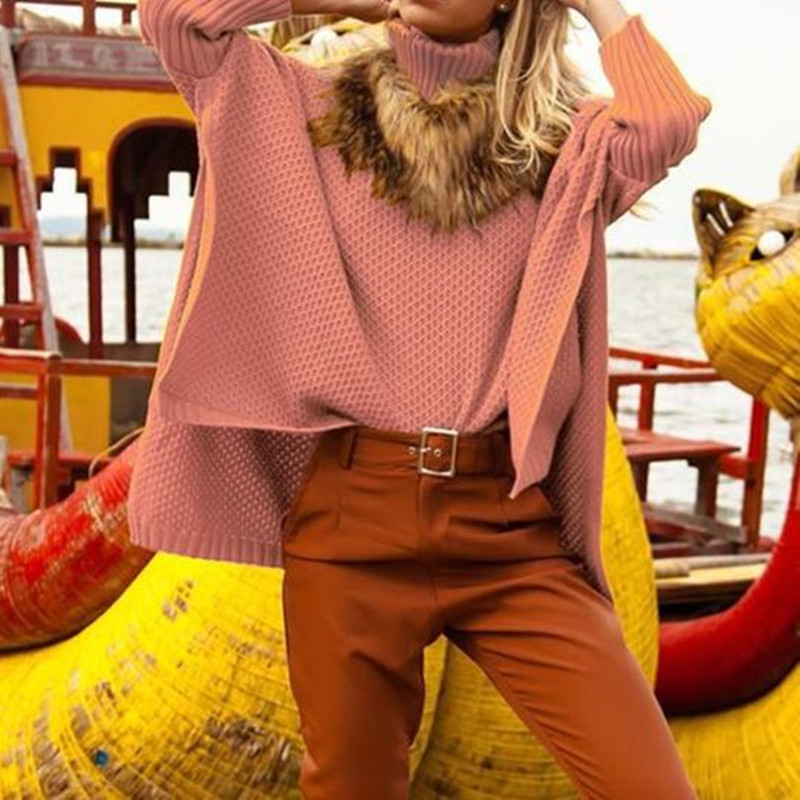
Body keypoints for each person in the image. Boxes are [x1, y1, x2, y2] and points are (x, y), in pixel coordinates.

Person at [132, 0, 712, 796]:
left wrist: (593, 4)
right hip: (351, 520)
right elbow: (174, 17)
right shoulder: (307, 106)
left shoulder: (559, 146)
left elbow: (668, 119)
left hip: (507, 528)